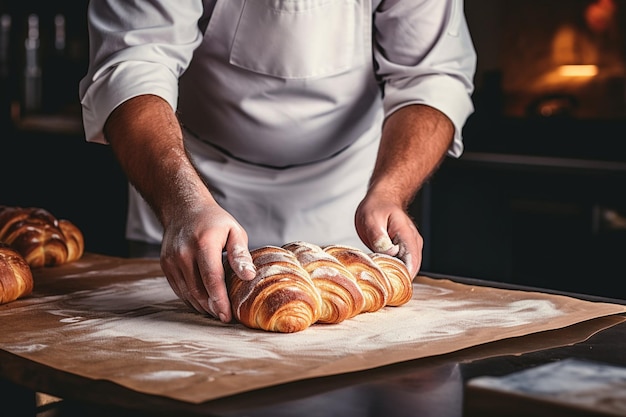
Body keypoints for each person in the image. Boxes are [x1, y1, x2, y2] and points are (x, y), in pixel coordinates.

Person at [79, 0, 476, 323]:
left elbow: (431, 75)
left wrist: (391, 190)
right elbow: (133, 64)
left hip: (349, 199)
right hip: (191, 189)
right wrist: (182, 200)